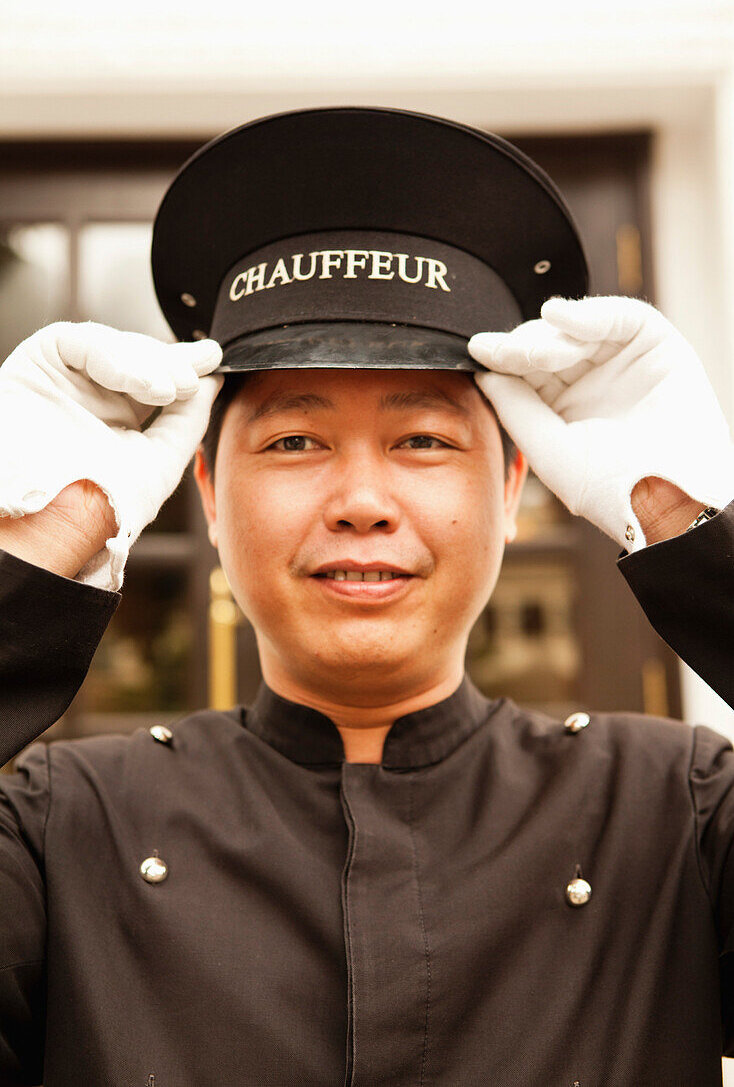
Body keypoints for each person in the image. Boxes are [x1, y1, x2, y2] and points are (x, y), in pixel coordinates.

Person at [0, 106, 733, 1087]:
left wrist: (692, 522)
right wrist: (35, 545)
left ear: (511, 489)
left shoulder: (679, 810)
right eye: (294, 440)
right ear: (209, 496)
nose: (358, 501)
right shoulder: (53, 831)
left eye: (422, 438)